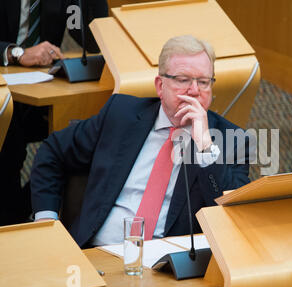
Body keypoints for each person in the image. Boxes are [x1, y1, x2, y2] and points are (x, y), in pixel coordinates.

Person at [30, 35, 251, 248]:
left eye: (203, 82)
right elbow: (53, 151)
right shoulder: (120, 114)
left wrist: (205, 146)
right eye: (183, 80)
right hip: (97, 252)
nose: (194, 91)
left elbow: (231, 214)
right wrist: (46, 221)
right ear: (160, 86)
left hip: (169, 269)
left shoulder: (231, 139)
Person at [0, 0, 108, 226]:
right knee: (11, 147)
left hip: (41, 86)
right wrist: (15, 53)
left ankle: (27, 211)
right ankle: (11, 219)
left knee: (73, 136)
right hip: (4, 88)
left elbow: (90, 38)